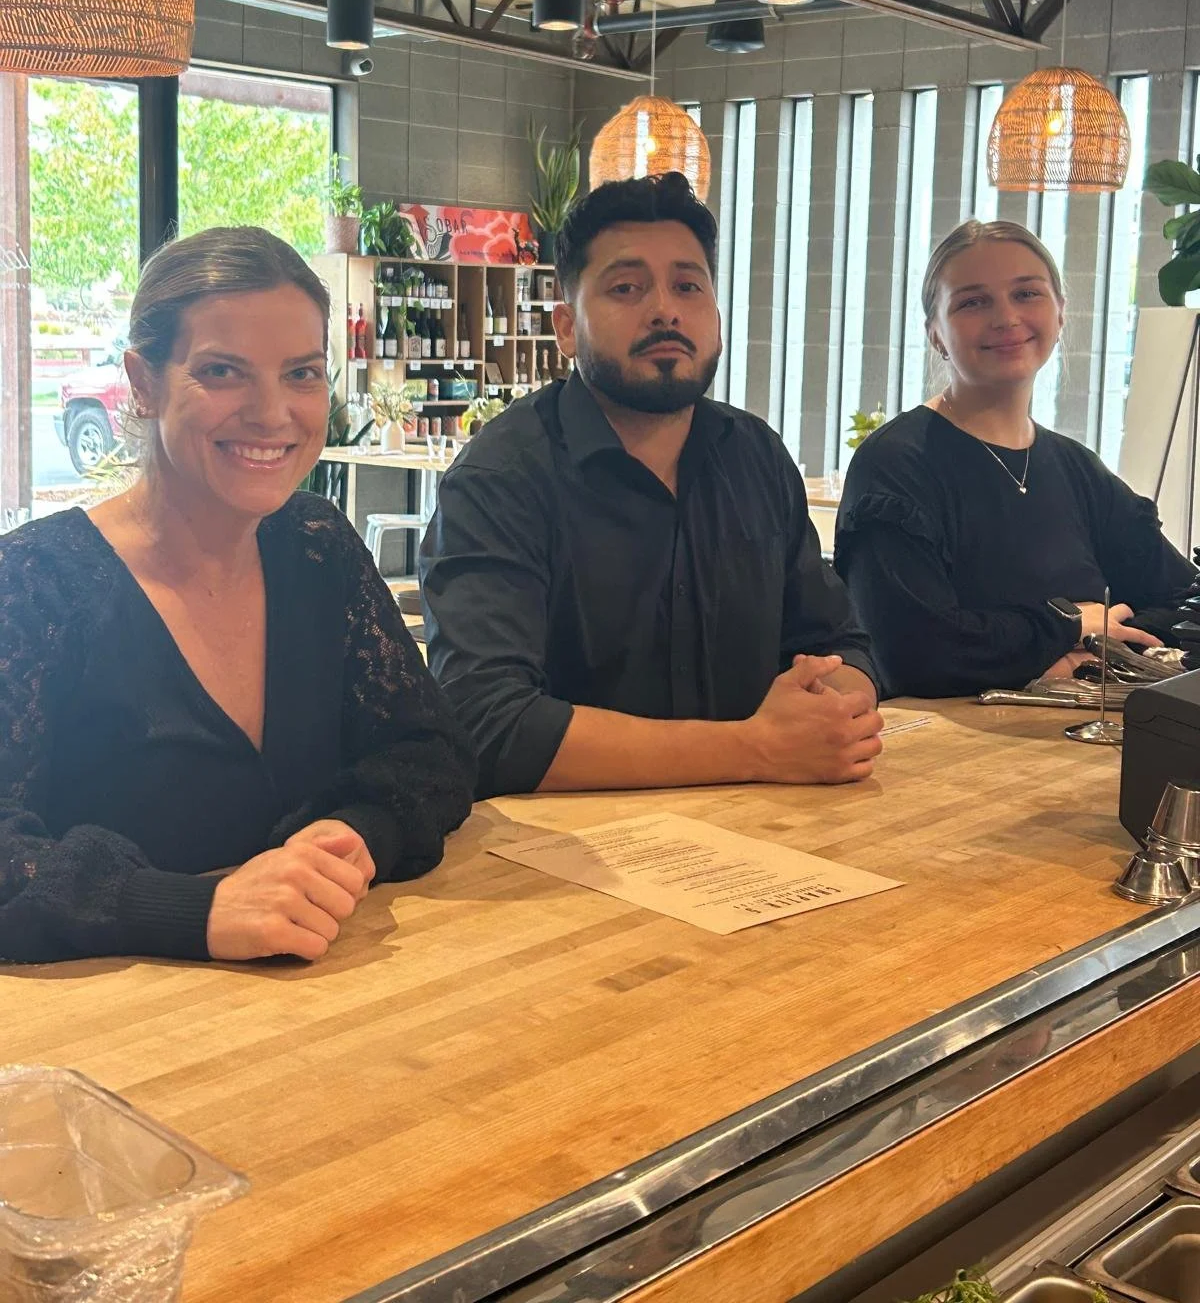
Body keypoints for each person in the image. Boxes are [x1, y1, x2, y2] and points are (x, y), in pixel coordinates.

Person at [0, 227, 475, 965]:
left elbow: (428, 752)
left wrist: (358, 832)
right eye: (223, 372)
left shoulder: (318, 544)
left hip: (326, 1000)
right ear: (143, 382)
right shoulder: (36, 583)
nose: (271, 412)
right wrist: (194, 910)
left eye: (302, 373)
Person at [420, 172, 882, 799]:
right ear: (564, 327)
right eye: (626, 287)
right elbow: (489, 722)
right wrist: (756, 747)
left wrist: (831, 708)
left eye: (688, 286)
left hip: (768, 831)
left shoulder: (755, 457)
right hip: (557, 862)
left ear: (716, 314)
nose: (665, 308)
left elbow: (840, 644)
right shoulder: (501, 479)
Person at [835, 218, 1196, 698]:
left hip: (1076, 750)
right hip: (945, 758)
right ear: (936, 333)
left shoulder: (1078, 470)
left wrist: (1093, 645)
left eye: (1026, 294)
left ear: (1060, 313)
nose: (1005, 317)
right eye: (972, 301)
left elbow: (1187, 604)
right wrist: (1067, 624)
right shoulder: (895, 466)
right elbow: (916, 653)